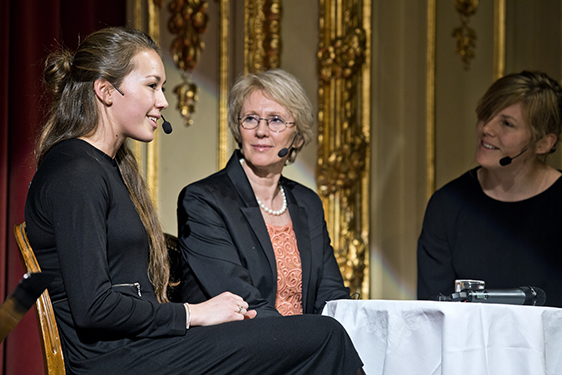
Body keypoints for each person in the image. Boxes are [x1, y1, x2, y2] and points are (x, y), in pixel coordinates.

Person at [24, 27, 363, 374]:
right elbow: (94, 306)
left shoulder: (107, 168)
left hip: (144, 347)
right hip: (115, 360)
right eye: (152, 85)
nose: (163, 101)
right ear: (106, 90)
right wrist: (194, 313)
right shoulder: (76, 171)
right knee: (325, 336)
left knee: (320, 338)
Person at [177, 69, 350, 318]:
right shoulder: (204, 200)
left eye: (276, 120)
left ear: (298, 138)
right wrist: (309, 341)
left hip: (307, 345)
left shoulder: (307, 202)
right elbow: (242, 303)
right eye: (250, 119)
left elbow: (331, 295)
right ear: (238, 129)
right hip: (240, 345)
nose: (261, 131)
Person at [417, 70, 562, 307]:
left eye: (507, 123)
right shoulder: (447, 205)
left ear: (543, 143)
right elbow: (434, 310)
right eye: (487, 115)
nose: (487, 128)